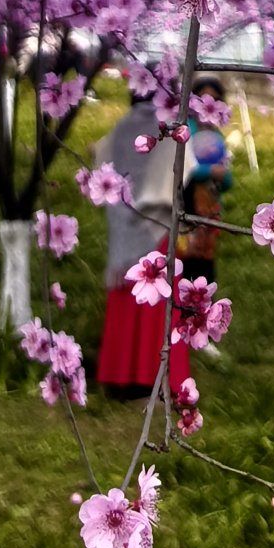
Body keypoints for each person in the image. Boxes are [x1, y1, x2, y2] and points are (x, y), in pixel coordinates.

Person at [95, 96, 183, 401]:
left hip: (123, 225)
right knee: (156, 305)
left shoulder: (119, 129)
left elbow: (100, 164)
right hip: (157, 226)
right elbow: (183, 171)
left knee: (127, 300)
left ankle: (119, 377)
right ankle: (155, 377)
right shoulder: (168, 131)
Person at [180, 76, 232, 283]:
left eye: (215, 100)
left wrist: (224, 176)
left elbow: (227, 180)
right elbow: (183, 169)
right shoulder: (186, 129)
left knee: (205, 263)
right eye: (203, 99)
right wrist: (210, 171)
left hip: (209, 208)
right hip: (187, 204)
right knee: (186, 261)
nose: (209, 105)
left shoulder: (217, 134)